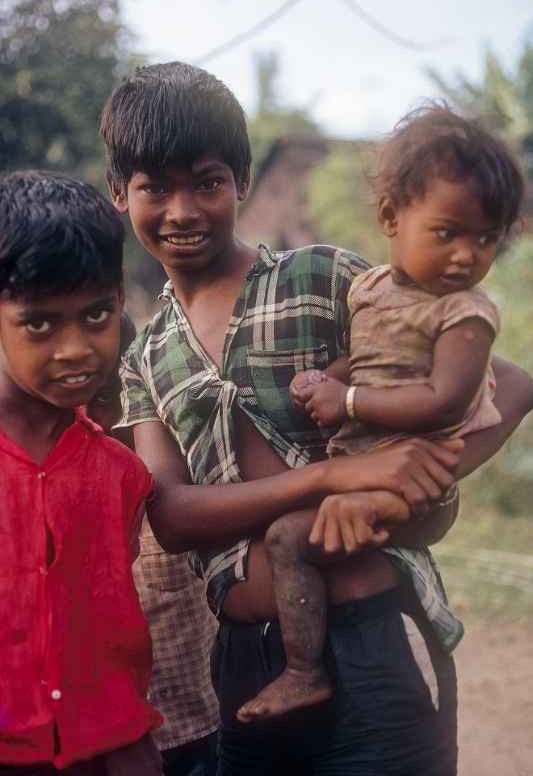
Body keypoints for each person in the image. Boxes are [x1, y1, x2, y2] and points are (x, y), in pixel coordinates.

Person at [100, 62, 533, 776]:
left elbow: (506, 385)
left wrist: (400, 486)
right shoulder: (145, 355)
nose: (181, 211)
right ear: (120, 193)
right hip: (244, 663)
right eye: (154, 187)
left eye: (206, 182)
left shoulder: (328, 279)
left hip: (372, 635)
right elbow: (172, 516)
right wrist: (336, 475)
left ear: (241, 180)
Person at [237, 103, 526, 722]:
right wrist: (325, 377)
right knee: (287, 534)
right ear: (392, 216)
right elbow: (362, 359)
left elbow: (442, 401)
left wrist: (346, 402)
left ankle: (303, 671)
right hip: (365, 467)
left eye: (486, 240)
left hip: (418, 488)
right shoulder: (368, 290)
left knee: (294, 535)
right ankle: (308, 670)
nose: (465, 256)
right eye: (448, 233)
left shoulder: (465, 314)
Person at [0, 172, 162, 776]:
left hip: (113, 752)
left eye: (96, 315)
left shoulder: (122, 472)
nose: (74, 349)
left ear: (120, 301)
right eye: (39, 324)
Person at [88, 315, 220, 776]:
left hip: (197, 722)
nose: (90, 414)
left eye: (105, 396)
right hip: (103, 739)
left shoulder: (166, 465)